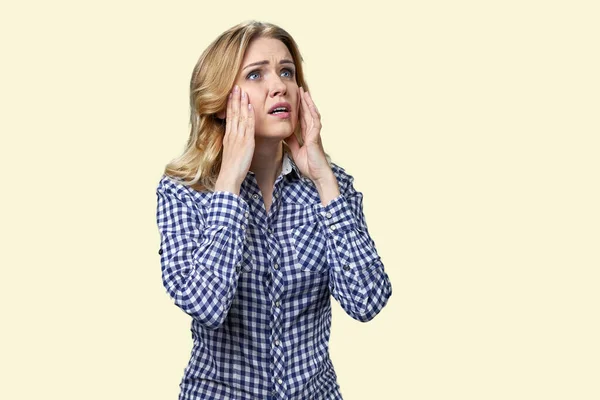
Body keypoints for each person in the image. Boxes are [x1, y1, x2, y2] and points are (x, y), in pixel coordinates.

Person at [155, 20, 392, 400]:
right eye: (255, 74)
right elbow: (206, 305)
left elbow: (367, 301)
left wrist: (324, 180)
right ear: (220, 101)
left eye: (286, 71)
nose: (279, 85)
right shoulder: (185, 191)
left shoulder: (331, 186)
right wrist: (229, 185)